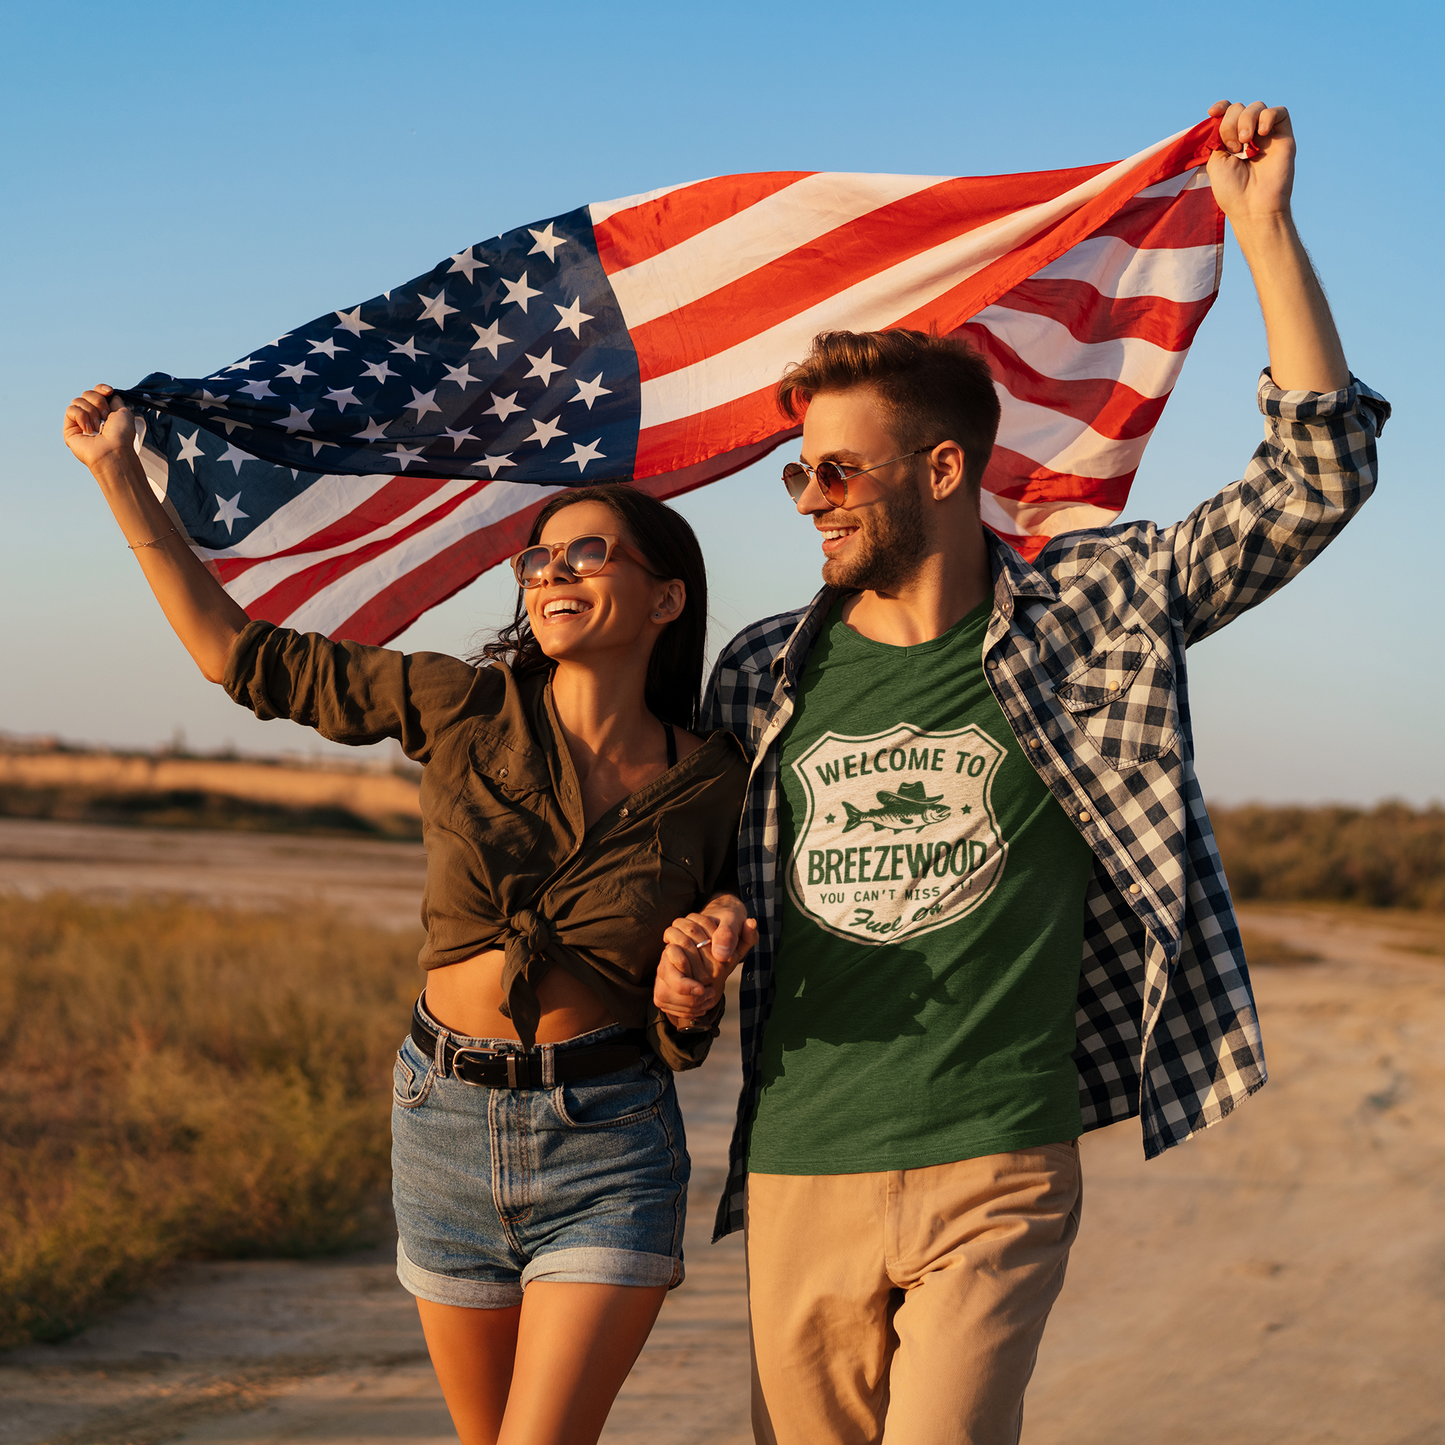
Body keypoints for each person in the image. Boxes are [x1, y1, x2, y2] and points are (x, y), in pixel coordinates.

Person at [664, 99, 1391, 1443]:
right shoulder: (758, 674)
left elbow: (1313, 478)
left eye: (838, 470)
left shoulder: (1089, 613)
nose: (809, 496)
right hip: (800, 1165)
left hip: (994, 1159)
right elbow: (695, 910)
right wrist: (686, 964)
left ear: (943, 468)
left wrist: (1264, 231)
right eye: (797, 476)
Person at [57, 392, 754, 1445]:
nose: (551, 572)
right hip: (441, 1123)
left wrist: (691, 992)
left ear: (665, 599)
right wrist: (116, 472)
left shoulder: (712, 782)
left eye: (587, 552)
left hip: (607, 1137)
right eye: (538, 558)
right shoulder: (461, 703)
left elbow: (681, 1020)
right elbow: (235, 655)